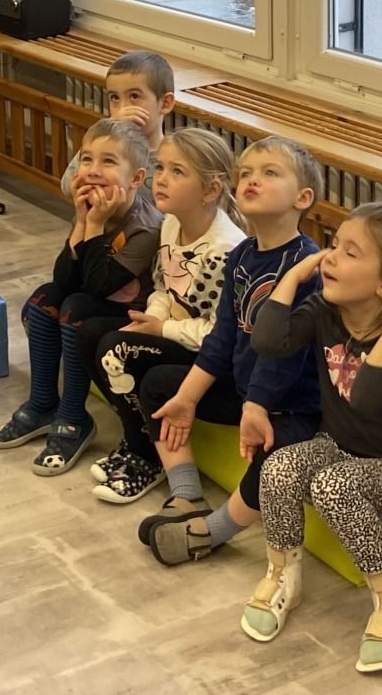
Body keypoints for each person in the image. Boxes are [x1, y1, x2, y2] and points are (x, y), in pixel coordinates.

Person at [244, 201, 382, 674]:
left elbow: (367, 400)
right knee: (279, 467)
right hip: (337, 448)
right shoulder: (324, 310)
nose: (330, 256)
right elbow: (268, 341)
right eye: (333, 245)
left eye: (351, 253)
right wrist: (293, 277)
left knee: (333, 486)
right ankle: (283, 573)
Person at [141, 136, 324, 567]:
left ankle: (211, 532)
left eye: (269, 173)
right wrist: (187, 399)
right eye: (246, 173)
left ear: (302, 198)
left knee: (275, 457)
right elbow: (222, 338)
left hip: (292, 407)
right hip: (246, 394)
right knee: (160, 387)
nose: (252, 180)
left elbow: (287, 357)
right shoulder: (242, 255)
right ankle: (187, 496)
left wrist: (257, 406)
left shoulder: (307, 266)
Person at [0, 119, 162, 475]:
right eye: (86, 159)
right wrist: (83, 222)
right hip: (92, 298)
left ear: (135, 178)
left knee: (74, 309)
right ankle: (42, 404)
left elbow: (99, 286)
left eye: (108, 161)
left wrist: (94, 225)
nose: (93, 171)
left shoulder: (146, 227)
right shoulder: (90, 206)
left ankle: (73, 418)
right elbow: (64, 279)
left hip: (133, 314)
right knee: (42, 302)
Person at [88, 130, 245, 503]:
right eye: (160, 168)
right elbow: (163, 287)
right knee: (91, 332)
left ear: (210, 190)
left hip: (215, 359)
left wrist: (162, 329)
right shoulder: (171, 223)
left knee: (118, 349)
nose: (160, 179)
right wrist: (151, 321)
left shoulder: (224, 250)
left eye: (177, 172)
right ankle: (137, 440)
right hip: (178, 333)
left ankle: (145, 456)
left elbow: (217, 335)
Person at [58, 49, 176, 197]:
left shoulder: (173, 157)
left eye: (134, 96)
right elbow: (68, 186)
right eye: (115, 97)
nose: (123, 108)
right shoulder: (103, 146)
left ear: (165, 103)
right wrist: (109, 132)